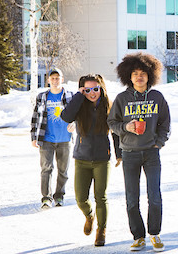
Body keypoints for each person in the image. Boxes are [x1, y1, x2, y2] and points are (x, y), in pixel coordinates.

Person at [107, 53, 171, 252]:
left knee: (155, 196)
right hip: (130, 153)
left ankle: (154, 234)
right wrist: (126, 127)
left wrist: (159, 142)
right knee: (131, 198)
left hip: (151, 153)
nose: (139, 77)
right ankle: (138, 236)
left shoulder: (156, 97)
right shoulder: (122, 98)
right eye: (135, 73)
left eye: (143, 73)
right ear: (129, 76)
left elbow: (165, 123)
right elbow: (112, 122)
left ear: (150, 75)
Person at [61, 74, 121, 247]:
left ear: (101, 88)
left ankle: (101, 231)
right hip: (82, 159)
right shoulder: (79, 105)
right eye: (87, 90)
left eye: (95, 89)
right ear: (82, 90)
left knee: (100, 197)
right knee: (81, 199)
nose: (92, 93)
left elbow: (116, 130)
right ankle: (89, 215)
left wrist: (119, 153)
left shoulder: (108, 106)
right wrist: (79, 96)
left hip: (102, 159)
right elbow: (66, 116)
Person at [30, 68, 74, 209]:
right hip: (46, 139)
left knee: (63, 171)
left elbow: (78, 115)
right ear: (48, 80)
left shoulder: (70, 96)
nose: (55, 81)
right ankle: (46, 198)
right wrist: (33, 136)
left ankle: (59, 196)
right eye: (52, 78)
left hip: (65, 139)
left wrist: (75, 123)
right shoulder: (42, 96)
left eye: (57, 78)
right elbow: (35, 117)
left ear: (62, 79)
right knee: (46, 169)